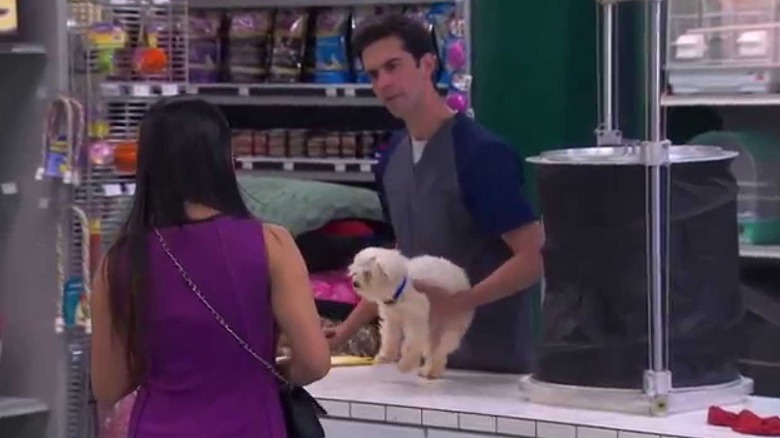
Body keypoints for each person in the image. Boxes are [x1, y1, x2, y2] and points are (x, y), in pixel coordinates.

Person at [89, 97, 330, 437]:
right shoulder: (272, 244)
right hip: (254, 424)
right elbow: (314, 362)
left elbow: (108, 385)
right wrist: (268, 374)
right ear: (222, 161)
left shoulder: (119, 263)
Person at [325, 14, 544, 373]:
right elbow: (402, 253)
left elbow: (534, 255)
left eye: (393, 66)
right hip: (414, 366)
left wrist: (462, 301)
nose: (384, 82)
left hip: (488, 367)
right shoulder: (390, 159)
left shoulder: (479, 155)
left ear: (427, 64)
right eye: (374, 74)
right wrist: (346, 330)